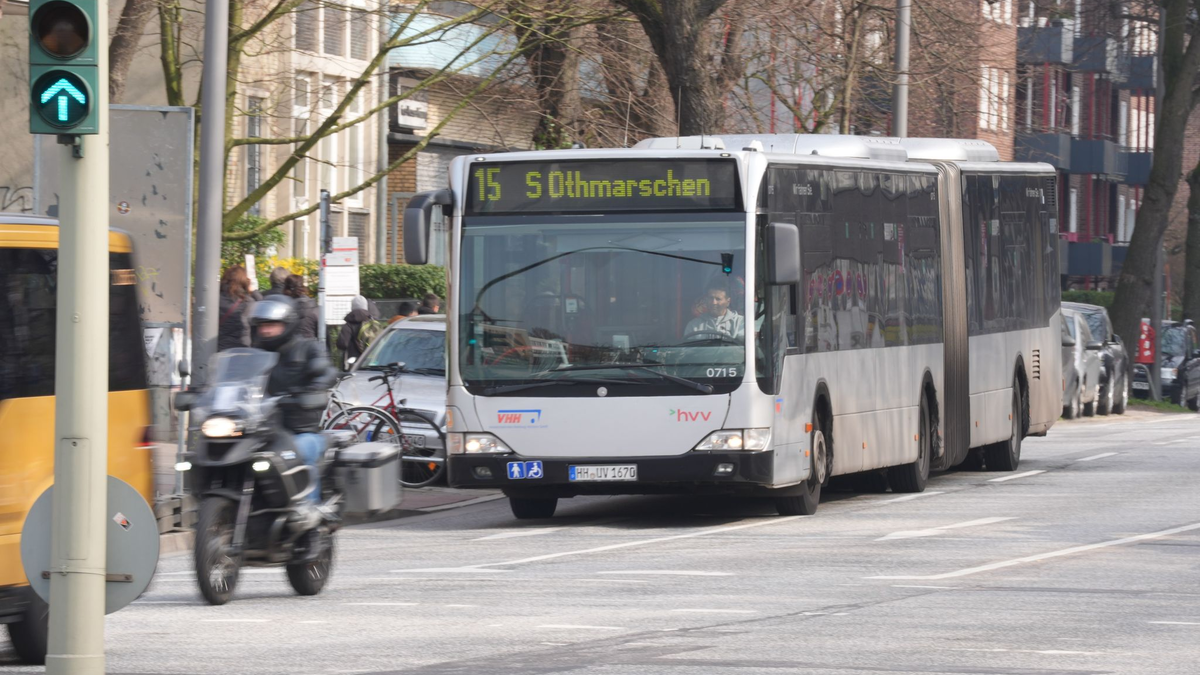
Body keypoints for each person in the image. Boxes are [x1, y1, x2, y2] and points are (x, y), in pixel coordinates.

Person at [247, 296, 336, 504]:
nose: (266, 330)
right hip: (263, 429)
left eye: (272, 325)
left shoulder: (309, 348)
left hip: (300, 428)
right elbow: (234, 379)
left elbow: (327, 372)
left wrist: (314, 390)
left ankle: (308, 507)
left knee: (300, 452)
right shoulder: (254, 355)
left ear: (288, 323)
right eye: (262, 325)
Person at [217, 266, 256, 351]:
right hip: (242, 349)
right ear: (244, 281)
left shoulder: (215, 299)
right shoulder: (248, 302)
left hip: (219, 348)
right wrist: (254, 291)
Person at [336, 295, 375, 369]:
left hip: (352, 362)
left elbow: (342, 344)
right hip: (370, 361)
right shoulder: (371, 321)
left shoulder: (348, 325)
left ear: (352, 307)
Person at [283, 274, 320, 339]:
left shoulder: (283, 308)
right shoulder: (313, 307)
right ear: (302, 287)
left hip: (289, 344)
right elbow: (323, 332)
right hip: (310, 343)